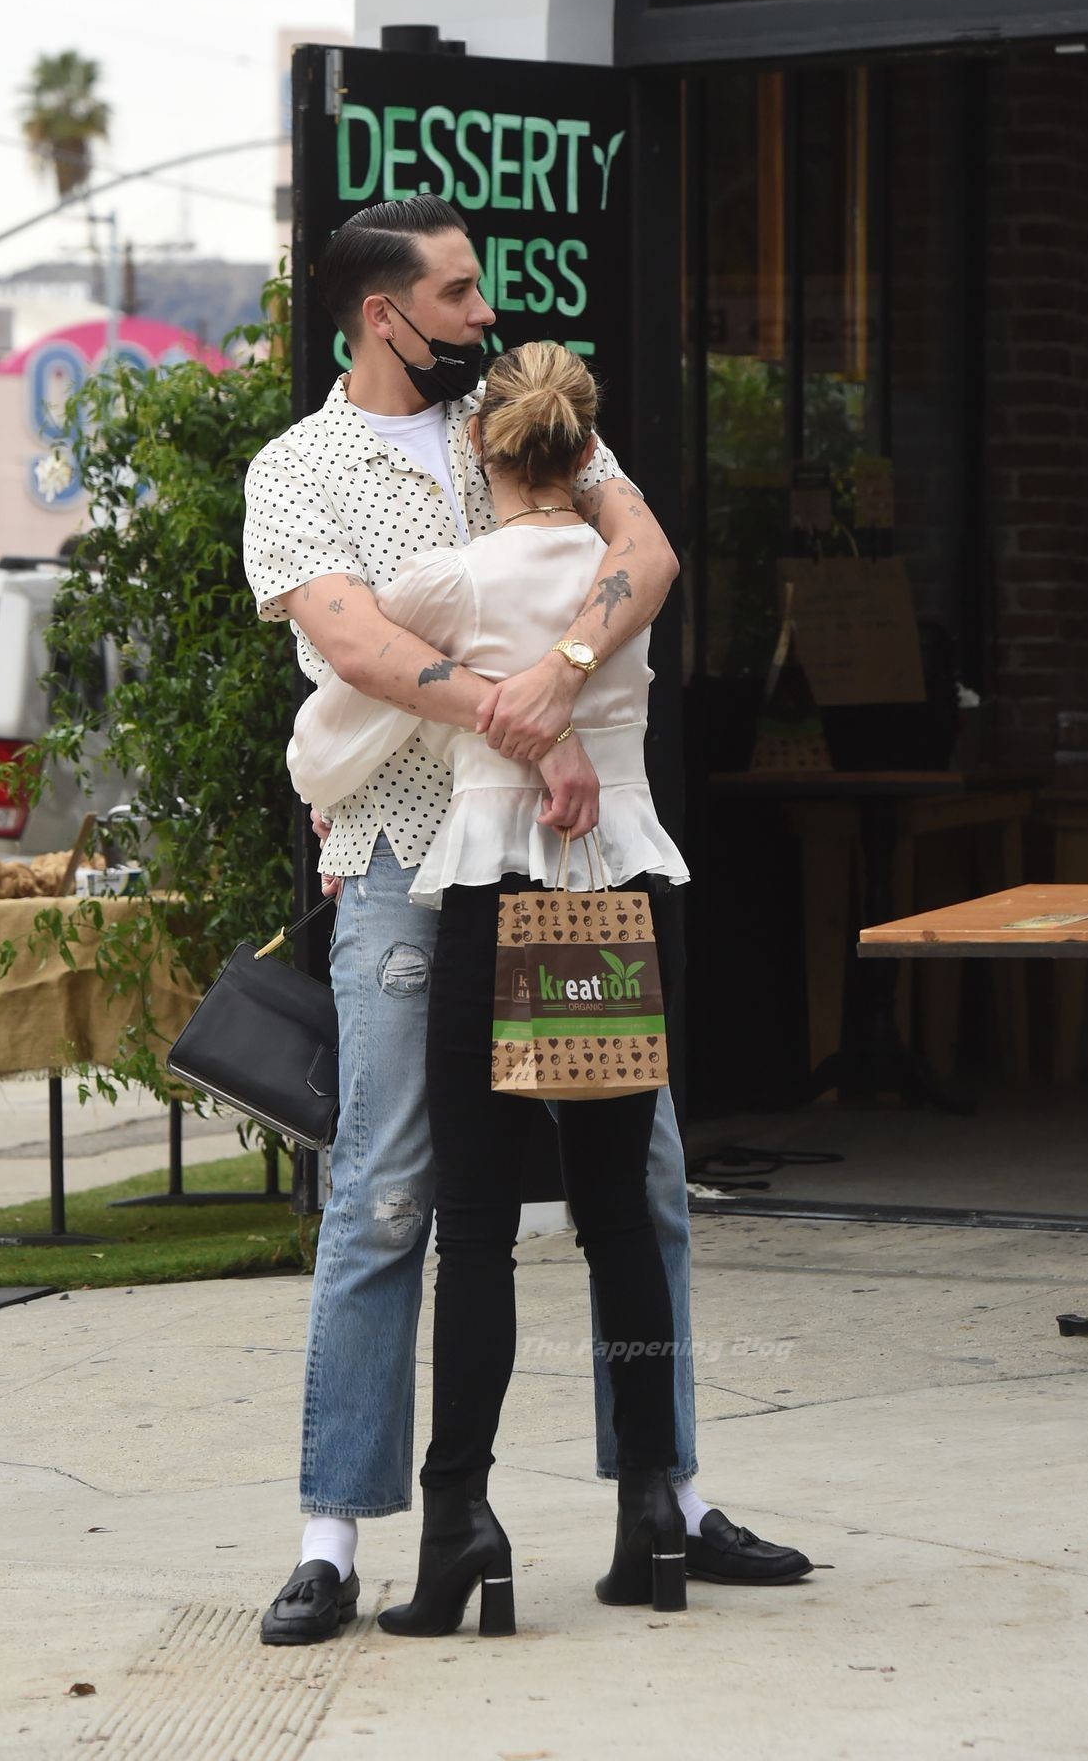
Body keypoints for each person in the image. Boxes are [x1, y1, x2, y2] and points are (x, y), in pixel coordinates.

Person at [243, 194, 810, 1647]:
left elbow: (644, 554)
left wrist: (559, 677)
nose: (484, 313)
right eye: (457, 292)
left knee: (647, 1181)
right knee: (388, 1191)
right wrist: (529, 717)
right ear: (383, 315)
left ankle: (666, 1491)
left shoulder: (517, 410)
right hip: (405, 859)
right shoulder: (298, 468)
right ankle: (331, 1537)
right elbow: (357, 642)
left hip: (568, 861)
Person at [290, 341, 694, 1633]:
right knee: (622, 1213)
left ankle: (460, 1517)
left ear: (484, 446)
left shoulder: (454, 579)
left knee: (474, 1225)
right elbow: (642, 568)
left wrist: (331, 786)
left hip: (493, 899)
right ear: (586, 450)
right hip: (618, 893)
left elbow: (344, 713)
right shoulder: (618, 580)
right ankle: (652, 1507)